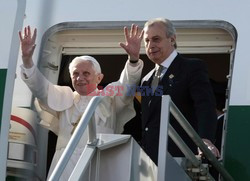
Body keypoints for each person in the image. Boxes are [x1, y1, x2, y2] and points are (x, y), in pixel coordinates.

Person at [18, 26, 143, 180]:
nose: (79, 78)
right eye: (75, 74)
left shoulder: (110, 98)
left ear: (99, 78)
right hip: (66, 166)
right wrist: (27, 61)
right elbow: (40, 88)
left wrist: (133, 60)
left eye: (86, 73)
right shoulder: (63, 97)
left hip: (99, 164)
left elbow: (127, 83)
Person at [120, 18, 220, 165]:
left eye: (156, 39)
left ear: (172, 39)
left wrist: (205, 140)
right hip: (151, 163)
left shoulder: (191, 68)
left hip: (182, 160)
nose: (150, 45)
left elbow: (205, 106)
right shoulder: (146, 80)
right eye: (147, 41)